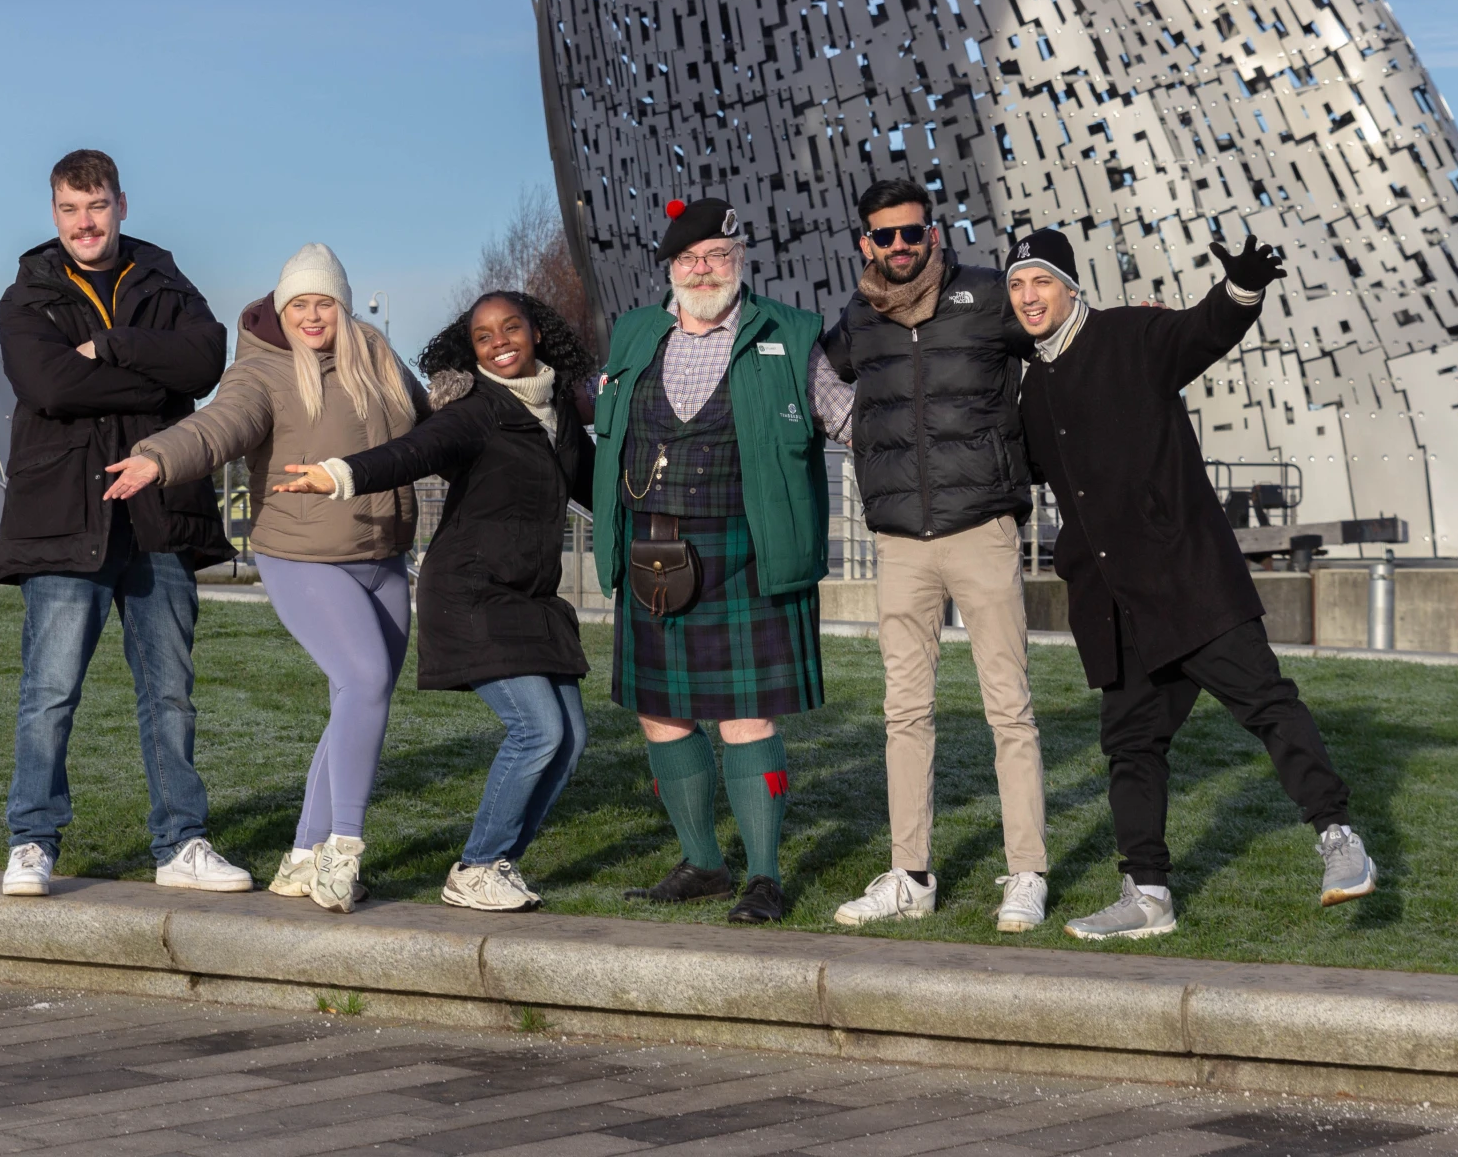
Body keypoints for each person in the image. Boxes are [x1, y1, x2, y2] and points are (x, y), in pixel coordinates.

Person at [1005, 228, 1376, 940]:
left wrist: (1241, 289)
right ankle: (1147, 895)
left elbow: (1203, 331)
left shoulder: (1131, 335)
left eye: (1042, 282)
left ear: (1071, 287)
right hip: (1116, 604)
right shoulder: (1032, 388)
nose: (1029, 298)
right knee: (1132, 747)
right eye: (1017, 286)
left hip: (1189, 580)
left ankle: (1338, 838)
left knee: (1267, 703)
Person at [104, 244, 426, 913]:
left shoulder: (376, 355)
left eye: (324, 303)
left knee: (357, 699)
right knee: (364, 680)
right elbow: (220, 425)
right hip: (302, 555)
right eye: (299, 305)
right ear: (283, 309)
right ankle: (343, 850)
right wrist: (159, 457)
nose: (313, 317)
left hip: (384, 554)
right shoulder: (263, 371)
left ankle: (302, 856)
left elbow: (431, 427)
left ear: (342, 302)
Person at [277, 292, 597, 912]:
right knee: (538, 729)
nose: (499, 341)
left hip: (530, 597)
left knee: (572, 738)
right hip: (471, 592)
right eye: (483, 336)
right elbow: (411, 453)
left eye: (511, 328)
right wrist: (338, 474)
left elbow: (597, 486)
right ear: (471, 349)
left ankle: (497, 863)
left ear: (538, 333)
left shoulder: (555, 410)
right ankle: (475, 866)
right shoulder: (476, 411)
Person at [0, 149, 248, 897]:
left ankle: (181, 843)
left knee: (169, 691)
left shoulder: (165, 279)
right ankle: (32, 841)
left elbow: (203, 361)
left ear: (120, 205)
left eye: (96, 205)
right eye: (70, 209)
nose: (85, 222)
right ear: (54, 214)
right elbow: (45, 383)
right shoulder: (28, 292)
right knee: (51, 690)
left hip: (159, 514)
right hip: (64, 516)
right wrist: (149, 376)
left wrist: (110, 345)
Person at [589, 197, 852, 925]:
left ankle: (763, 876)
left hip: (748, 548)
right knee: (662, 715)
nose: (702, 270)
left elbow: (848, 417)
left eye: (716, 256)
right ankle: (703, 860)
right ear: (670, 270)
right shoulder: (635, 333)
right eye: (687, 259)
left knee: (746, 718)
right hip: (653, 550)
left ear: (741, 261)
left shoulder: (790, 334)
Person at [822, 177, 1049, 933]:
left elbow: (1061, 339)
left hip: (981, 528)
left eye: (911, 233)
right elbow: (817, 375)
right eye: (883, 236)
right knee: (905, 713)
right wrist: (849, 428)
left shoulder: (986, 296)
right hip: (899, 541)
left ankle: (1026, 873)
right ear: (865, 243)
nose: (898, 246)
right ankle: (910, 874)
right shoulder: (859, 318)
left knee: (1008, 709)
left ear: (934, 235)